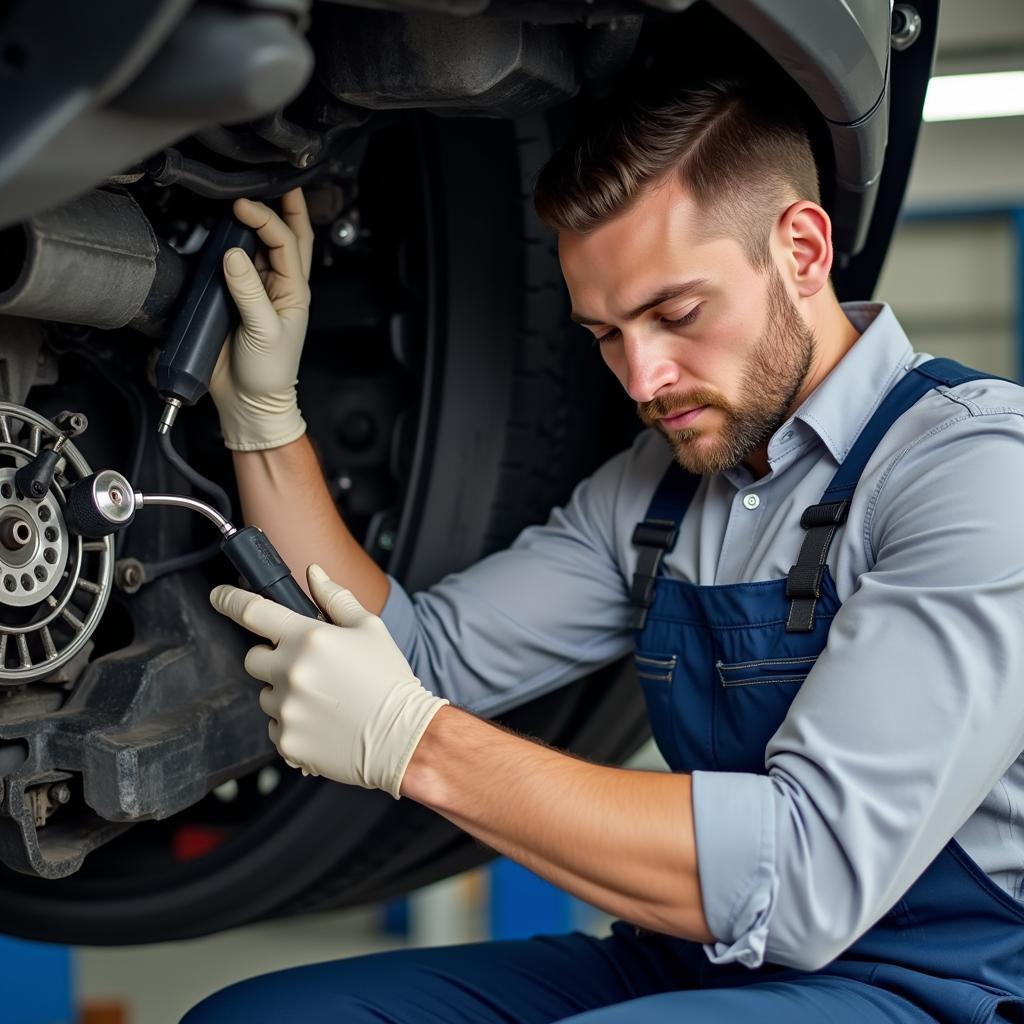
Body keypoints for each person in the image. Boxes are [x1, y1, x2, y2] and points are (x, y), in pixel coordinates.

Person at [183, 76, 1024, 1023]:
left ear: (802, 248)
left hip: (926, 989)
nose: (644, 379)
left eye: (677, 314)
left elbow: (808, 879)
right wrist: (262, 418)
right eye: (606, 335)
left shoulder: (974, 473)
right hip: (693, 965)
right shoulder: (652, 491)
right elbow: (409, 661)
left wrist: (417, 743)